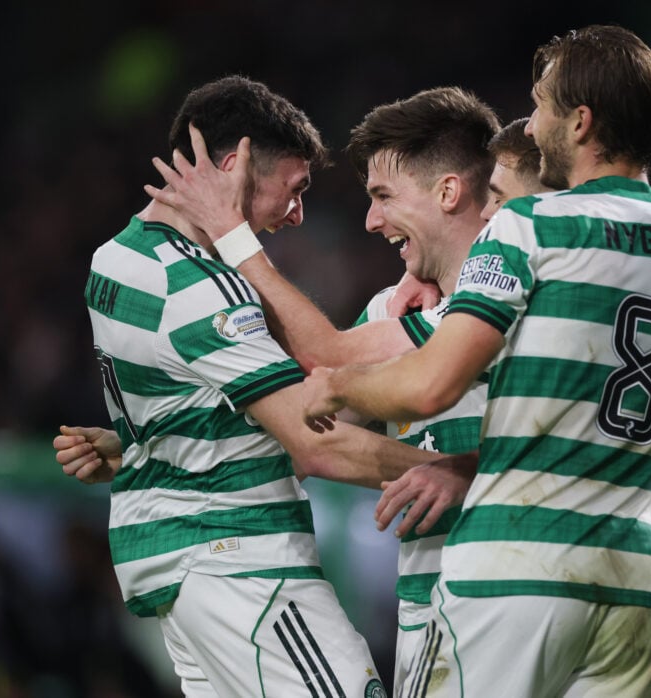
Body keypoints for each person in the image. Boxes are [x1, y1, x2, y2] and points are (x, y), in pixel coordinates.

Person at [302, 24, 651, 697]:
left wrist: (340, 384)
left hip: (520, 574)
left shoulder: (528, 226)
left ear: (581, 123)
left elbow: (432, 386)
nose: (531, 126)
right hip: (646, 581)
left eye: (543, 108)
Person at [61, 85, 503, 694]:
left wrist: (147, 441)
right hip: (238, 558)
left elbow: (233, 391)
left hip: (177, 559)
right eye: (295, 190)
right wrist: (471, 475)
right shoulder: (199, 287)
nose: (296, 215)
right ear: (232, 168)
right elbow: (315, 435)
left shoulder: (115, 261)